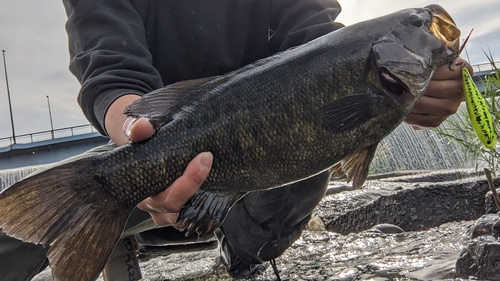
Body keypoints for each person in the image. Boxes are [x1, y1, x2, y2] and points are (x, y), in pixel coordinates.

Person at [0, 0, 473, 280]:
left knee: (304, 160)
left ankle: (244, 254)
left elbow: (314, 37)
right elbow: (110, 67)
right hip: (151, 137)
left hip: (269, 158)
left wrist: (422, 92)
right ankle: (120, 238)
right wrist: (135, 139)